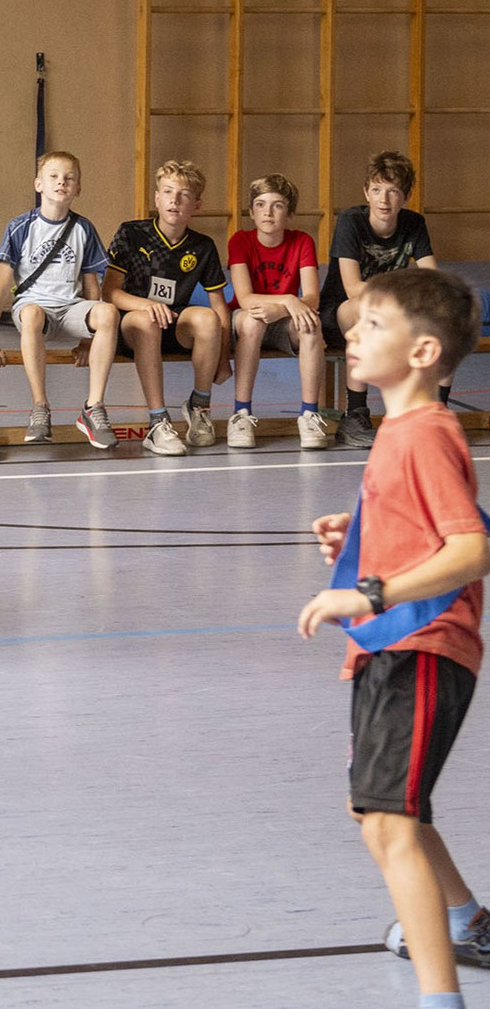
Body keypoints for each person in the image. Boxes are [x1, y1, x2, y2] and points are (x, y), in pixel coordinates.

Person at [298, 268, 490, 1008]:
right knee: (378, 811)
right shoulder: (401, 432)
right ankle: (465, 920)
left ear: (423, 352)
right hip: (390, 647)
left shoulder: (427, 435)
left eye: (373, 324)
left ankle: (441, 998)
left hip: (425, 644)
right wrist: (364, 534)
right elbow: (427, 526)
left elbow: (470, 548)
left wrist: (369, 590)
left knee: (389, 821)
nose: (352, 333)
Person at [0, 150, 120, 451]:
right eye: (54, 176)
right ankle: (40, 407)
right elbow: (1, 287)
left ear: (78, 188)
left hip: (70, 309)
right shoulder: (20, 227)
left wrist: (87, 341)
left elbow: (91, 286)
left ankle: (94, 408)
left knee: (108, 312)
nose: (61, 182)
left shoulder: (84, 228)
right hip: (34, 309)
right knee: (32, 313)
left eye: (69, 178)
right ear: (38, 184)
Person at [104, 159, 232, 457]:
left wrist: (223, 357)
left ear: (196, 205)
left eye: (184, 195)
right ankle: (157, 423)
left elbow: (220, 306)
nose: (175, 200)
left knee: (208, 318)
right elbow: (109, 293)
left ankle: (199, 406)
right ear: (157, 198)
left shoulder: (202, 246)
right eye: (168, 192)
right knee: (147, 321)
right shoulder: (132, 233)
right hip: (132, 326)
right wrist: (148, 305)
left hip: (174, 326)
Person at [324, 151, 443, 447]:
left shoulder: (414, 223)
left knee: (440, 318)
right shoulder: (351, 221)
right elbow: (353, 288)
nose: (384, 199)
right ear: (366, 193)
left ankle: (433, 415)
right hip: (339, 314)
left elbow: (432, 279)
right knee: (364, 310)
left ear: (406, 196)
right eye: (377, 190)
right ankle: (354, 415)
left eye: (393, 191)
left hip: (390, 314)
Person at [227, 173, 328, 450]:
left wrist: (284, 308)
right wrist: (288, 300)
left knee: (311, 325)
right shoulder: (240, 241)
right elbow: (245, 299)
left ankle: (309, 414)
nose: (268, 212)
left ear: (290, 213)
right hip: (246, 318)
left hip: (284, 320)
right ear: (251, 212)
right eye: (260, 205)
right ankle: (241, 414)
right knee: (253, 322)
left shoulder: (302, 241)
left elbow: (312, 298)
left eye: (278, 206)